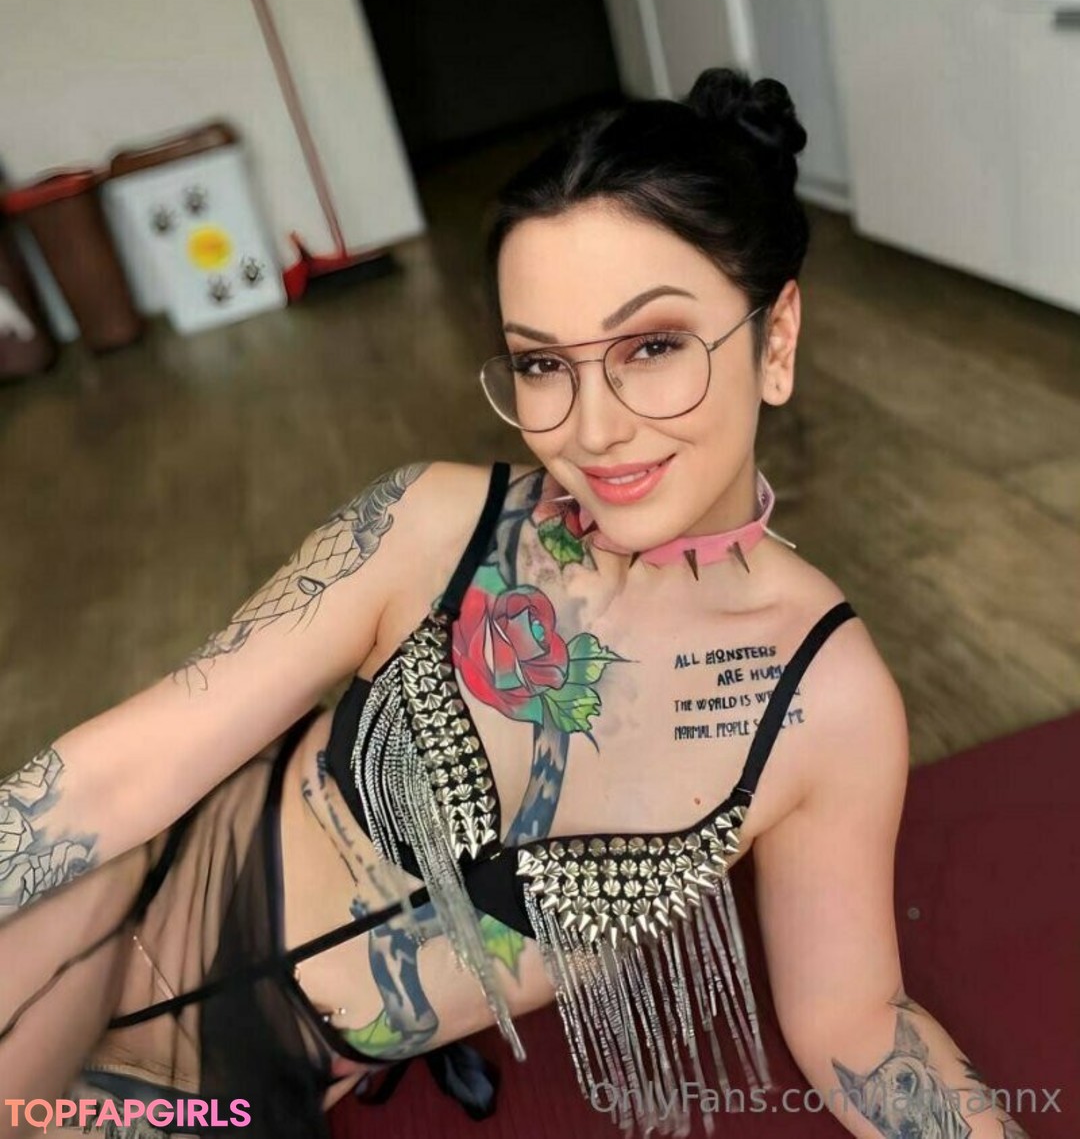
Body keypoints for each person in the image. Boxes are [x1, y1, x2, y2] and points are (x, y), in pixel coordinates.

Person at [0, 68, 1028, 1139]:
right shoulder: (428, 528)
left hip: (241, 1087)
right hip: (105, 909)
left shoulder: (828, 706)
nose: (593, 429)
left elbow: (857, 1021)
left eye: (652, 347)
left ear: (775, 340)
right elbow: (119, 777)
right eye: (543, 364)